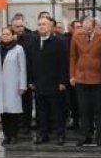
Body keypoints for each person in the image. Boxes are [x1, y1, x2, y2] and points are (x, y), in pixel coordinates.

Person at [27, 14, 70, 145]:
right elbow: (30, 62)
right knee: (41, 112)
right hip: (39, 83)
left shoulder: (59, 42)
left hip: (55, 83)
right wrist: (31, 80)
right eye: (39, 24)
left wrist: (63, 81)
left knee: (57, 111)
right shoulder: (33, 42)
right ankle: (42, 134)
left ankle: (60, 134)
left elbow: (64, 63)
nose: (41, 27)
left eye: (44, 24)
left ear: (50, 27)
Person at [69, 16, 101, 146]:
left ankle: (99, 136)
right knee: (84, 109)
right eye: (84, 28)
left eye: (89, 29)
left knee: (99, 109)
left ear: (95, 27)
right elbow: (73, 56)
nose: (86, 32)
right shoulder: (76, 36)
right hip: (81, 77)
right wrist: (72, 75)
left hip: (98, 78)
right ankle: (85, 135)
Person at [0, 26, 27, 146]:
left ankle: (14, 135)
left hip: (13, 85)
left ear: (13, 36)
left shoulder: (18, 49)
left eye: (7, 34)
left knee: (13, 112)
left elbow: (22, 68)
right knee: (2, 112)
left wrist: (22, 85)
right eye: (3, 34)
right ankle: (6, 135)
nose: (5, 36)